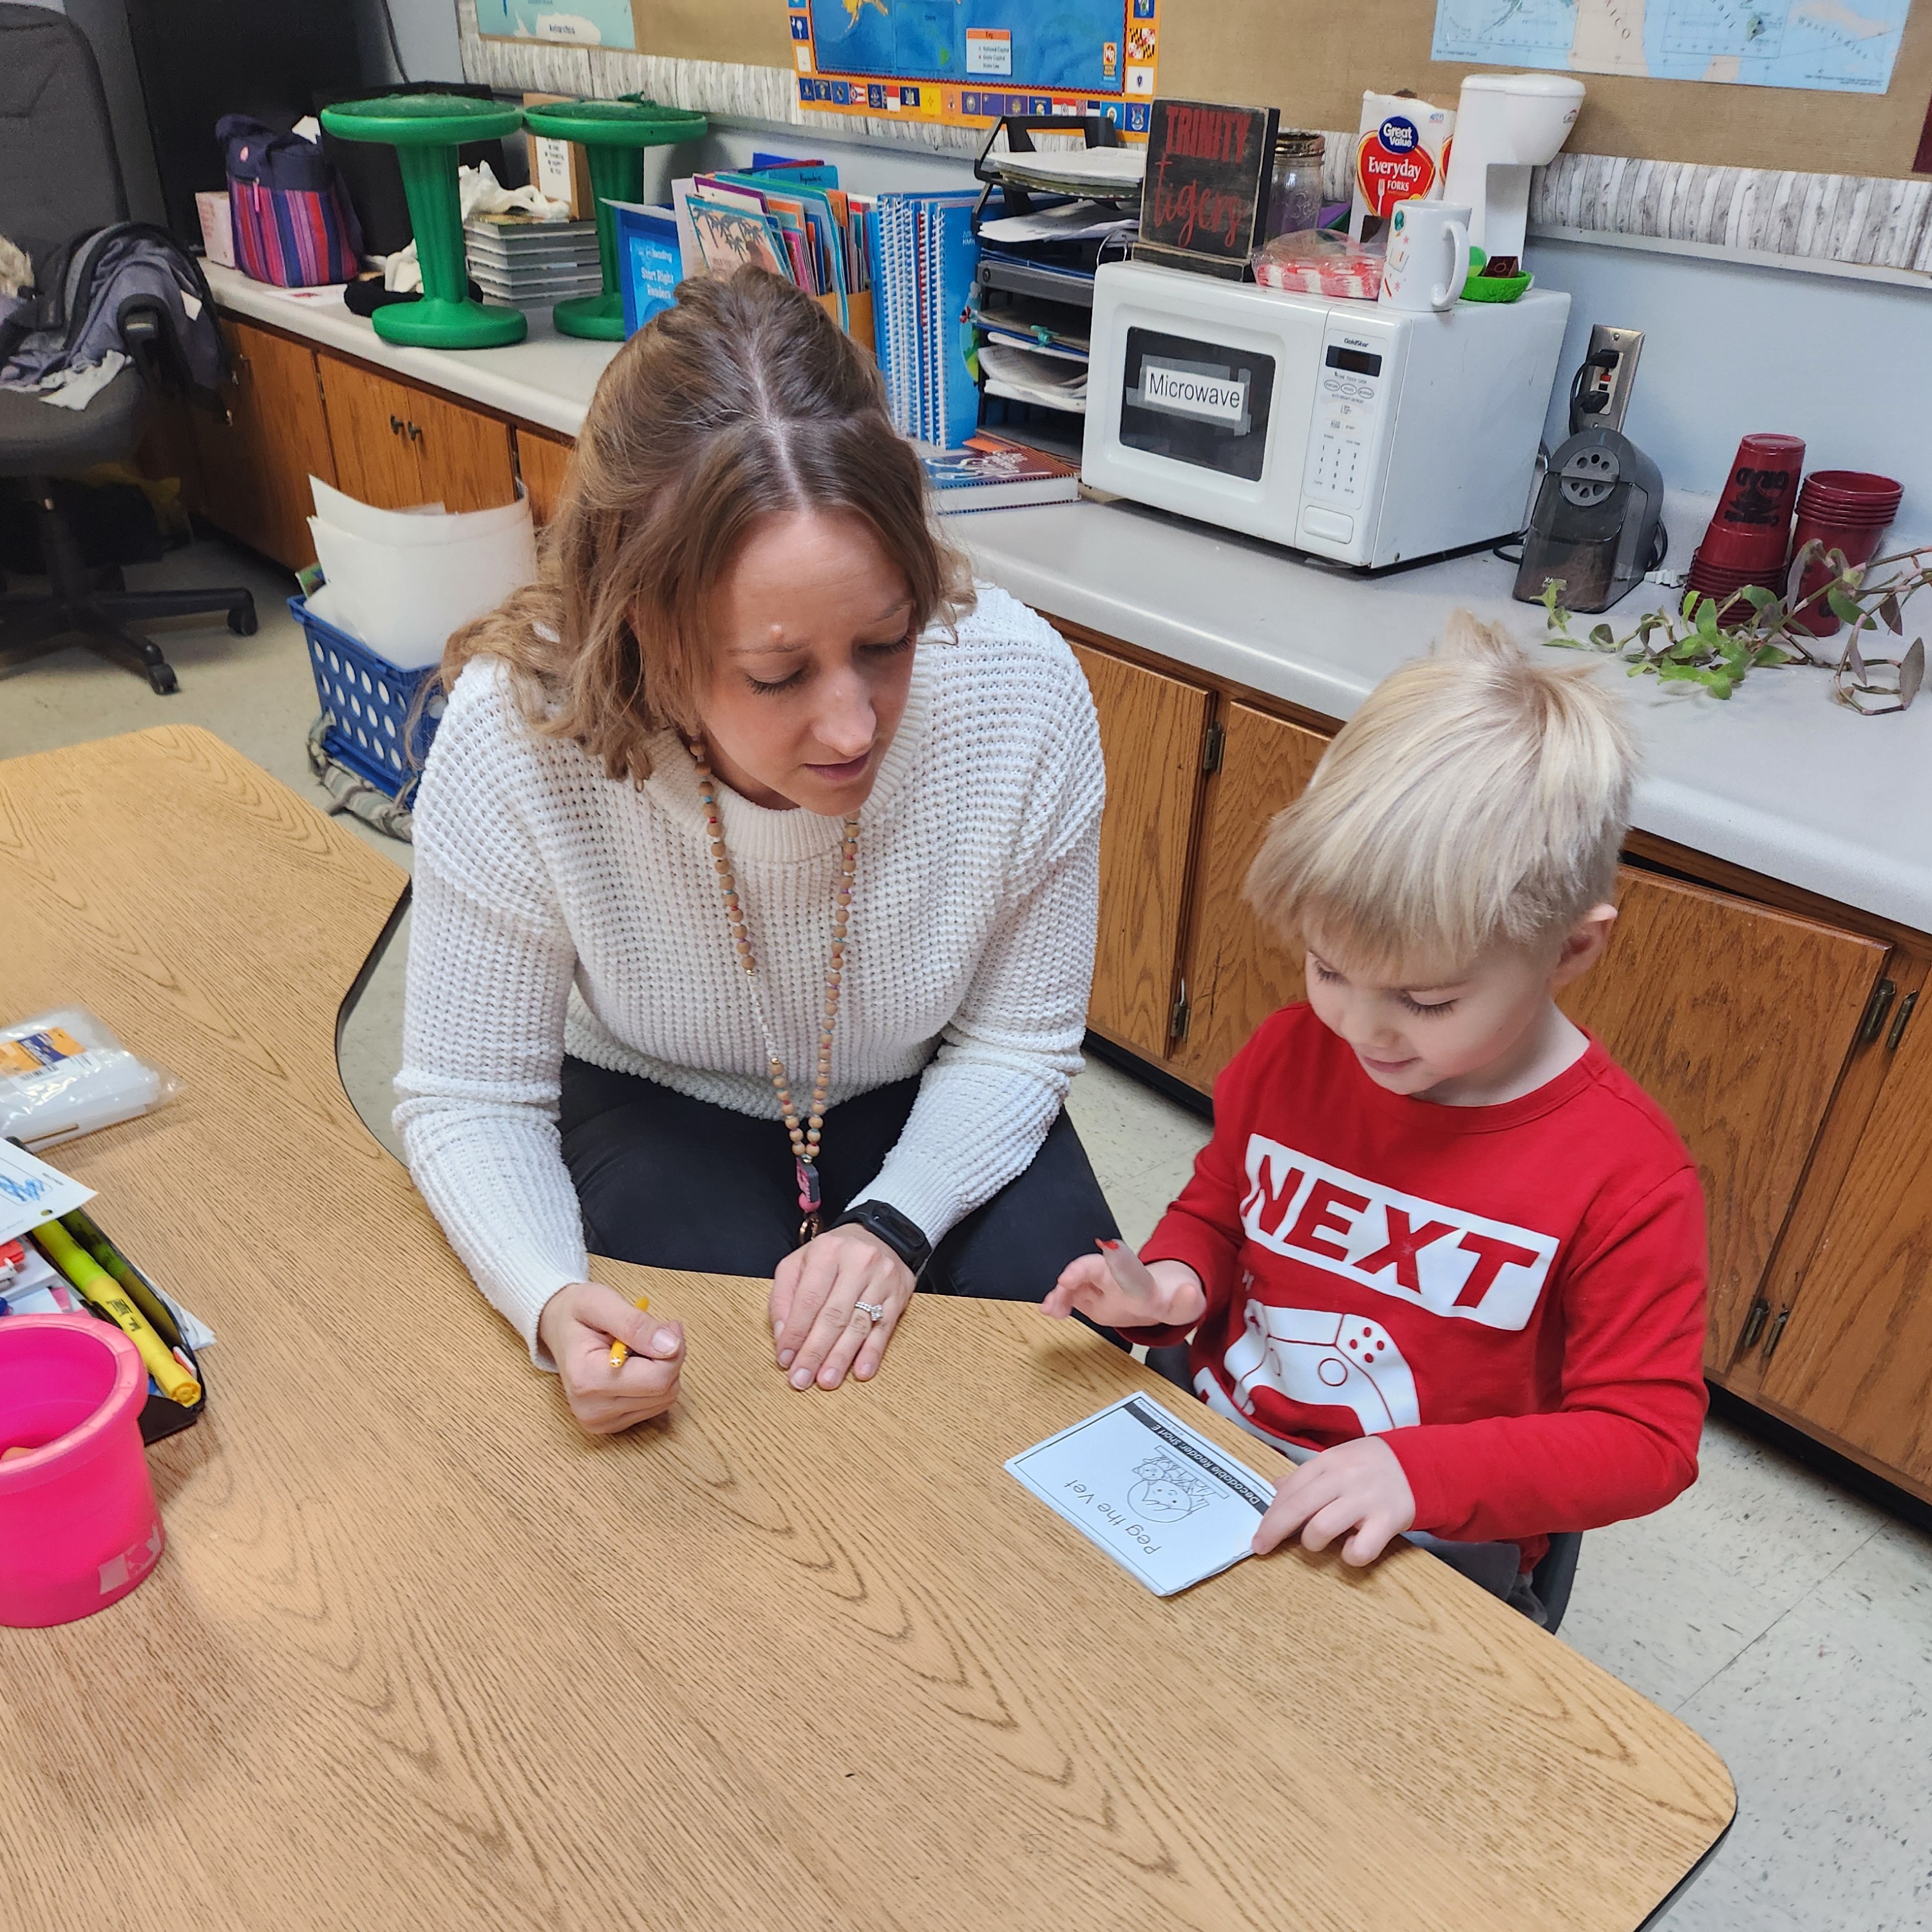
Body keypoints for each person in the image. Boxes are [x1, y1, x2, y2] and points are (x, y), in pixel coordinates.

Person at [396, 268, 1115, 1435]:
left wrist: (896, 1220)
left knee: (1084, 1398)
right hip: (659, 1091)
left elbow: (1018, 1043)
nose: (851, 728)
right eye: (778, 675)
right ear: (644, 624)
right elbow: (473, 1095)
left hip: (926, 1087)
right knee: (729, 1424)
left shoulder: (1021, 692)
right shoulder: (518, 733)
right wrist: (549, 1297)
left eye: (887, 643)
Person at [1045, 613, 1707, 1613]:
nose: (1363, 1028)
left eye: (1428, 1001)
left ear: (1572, 950)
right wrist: (1179, 1279)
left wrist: (1418, 1476)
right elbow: (1227, 1203)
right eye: (1328, 969)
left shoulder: (1626, 1175)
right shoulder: (1293, 1051)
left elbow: (1646, 1441)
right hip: (1221, 1453)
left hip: (1430, 1534)